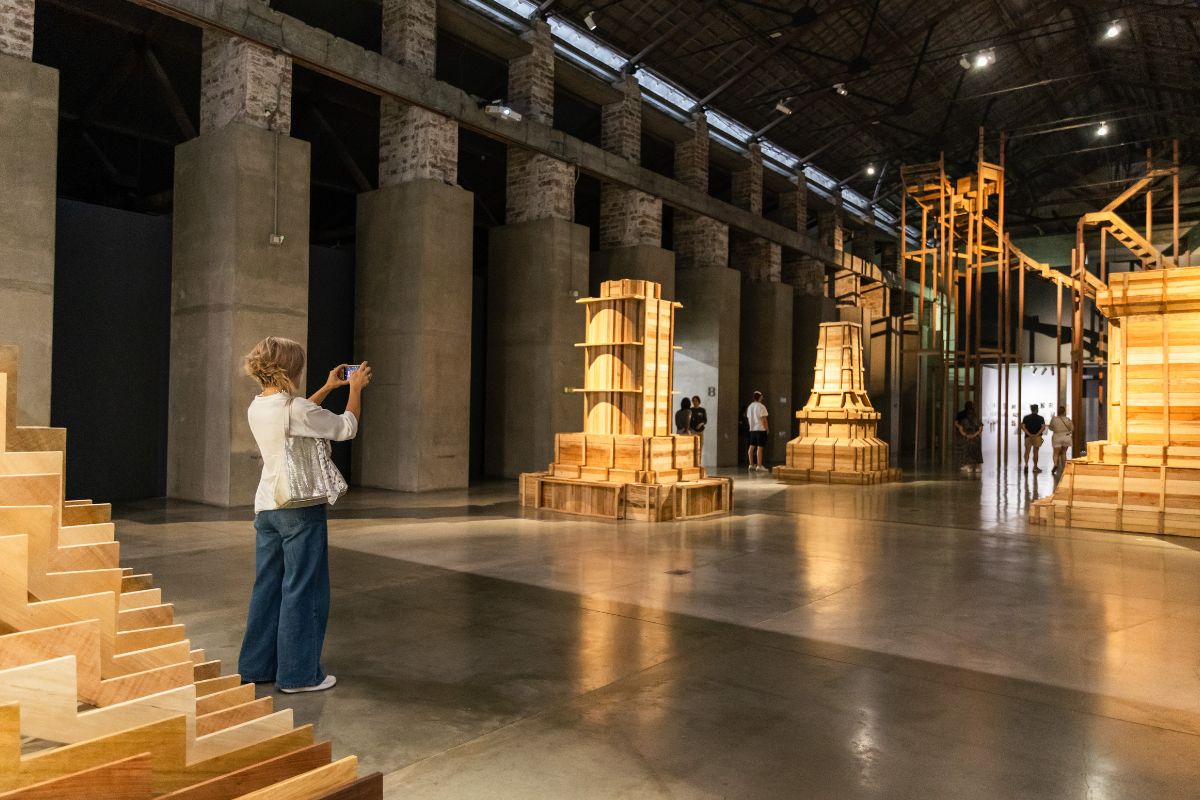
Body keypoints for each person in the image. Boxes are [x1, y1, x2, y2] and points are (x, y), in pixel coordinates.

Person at [238, 336, 373, 694]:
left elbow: (298, 417)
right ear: (291, 367)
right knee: (305, 590)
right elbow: (346, 427)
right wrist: (354, 389)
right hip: (298, 509)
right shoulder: (294, 409)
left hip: (266, 507)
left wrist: (329, 386)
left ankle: (256, 667)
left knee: (267, 588)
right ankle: (299, 675)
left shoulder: (259, 405)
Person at [955, 401, 983, 477]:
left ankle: (970, 466)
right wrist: (974, 435)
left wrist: (966, 435)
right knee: (975, 452)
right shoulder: (976, 419)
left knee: (969, 452)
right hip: (975, 438)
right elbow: (980, 429)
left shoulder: (965, 419)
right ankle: (976, 466)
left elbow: (960, 428)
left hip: (969, 438)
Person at [1020, 403, 1047, 473]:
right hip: (1037, 437)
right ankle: (1035, 467)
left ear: (1031, 409)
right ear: (1037, 409)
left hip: (1028, 437)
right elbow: (1043, 427)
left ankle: (1026, 465)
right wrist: (1036, 434)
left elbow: (1023, 427)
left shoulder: (1026, 417)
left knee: (1027, 452)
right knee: (1036, 452)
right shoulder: (1041, 418)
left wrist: (1029, 434)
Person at [746, 391, 769, 472]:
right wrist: (767, 429)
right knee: (760, 448)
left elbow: (749, 418)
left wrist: (751, 427)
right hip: (760, 429)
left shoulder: (750, 407)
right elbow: (764, 419)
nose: (762, 397)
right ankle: (759, 465)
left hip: (752, 430)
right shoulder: (761, 406)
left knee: (751, 447)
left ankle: (751, 464)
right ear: (759, 397)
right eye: (762, 396)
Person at [1048, 406, 1074, 475]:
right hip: (1066, 436)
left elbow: (1050, 428)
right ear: (1064, 412)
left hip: (1057, 436)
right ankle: (1064, 467)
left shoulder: (1054, 419)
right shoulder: (1067, 419)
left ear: (1058, 411)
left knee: (1056, 453)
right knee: (1064, 453)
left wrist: (1056, 429)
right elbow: (1072, 428)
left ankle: (1056, 464)